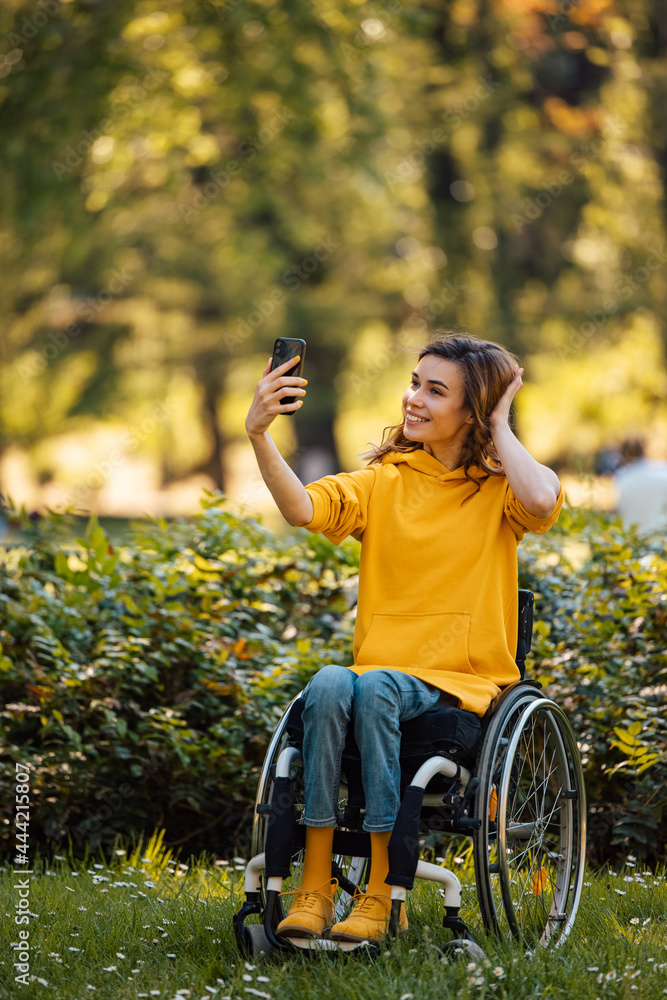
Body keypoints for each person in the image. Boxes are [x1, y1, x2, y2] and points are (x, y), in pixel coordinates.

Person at [244, 332, 564, 944]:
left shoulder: (500, 488)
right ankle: (315, 883)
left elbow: (544, 498)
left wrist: (500, 422)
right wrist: (259, 434)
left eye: (434, 390)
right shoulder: (382, 482)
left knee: (376, 687)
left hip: (457, 686)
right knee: (332, 680)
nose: (413, 398)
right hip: (377, 683)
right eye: (415, 382)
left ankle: (382, 893)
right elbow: (302, 510)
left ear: (472, 412)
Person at [613, 438, 667, 534]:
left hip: (631, 541)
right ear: (644, 451)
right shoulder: (662, 474)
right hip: (660, 542)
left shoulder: (621, 479)